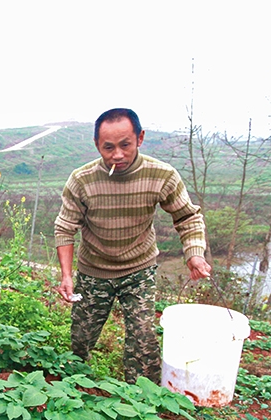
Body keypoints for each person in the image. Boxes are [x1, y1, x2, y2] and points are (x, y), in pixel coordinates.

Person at [54, 108, 210, 384]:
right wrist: (67, 276)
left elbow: (187, 216)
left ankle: (141, 401)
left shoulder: (161, 175)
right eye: (108, 147)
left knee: (142, 338)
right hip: (94, 271)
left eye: (125, 145)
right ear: (97, 145)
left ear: (140, 138)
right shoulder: (82, 180)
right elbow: (65, 227)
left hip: (139, 269)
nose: (117, 155)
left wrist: (194, 255)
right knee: (81, 337)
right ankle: (74, 387)